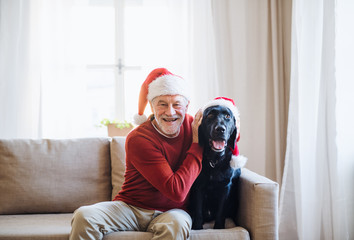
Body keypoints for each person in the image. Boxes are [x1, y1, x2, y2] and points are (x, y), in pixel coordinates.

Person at [70, 68, 203, 240]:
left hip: (173, 212)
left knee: (176, 224)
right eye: (162, 104)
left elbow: (229, 134)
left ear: (187, 106)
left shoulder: (195, 127)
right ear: (152, 106)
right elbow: (175, 191)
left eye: (177, 104)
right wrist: (197, 145)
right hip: (130, 208)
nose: (170, 112)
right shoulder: (139, 138)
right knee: (84, 216)